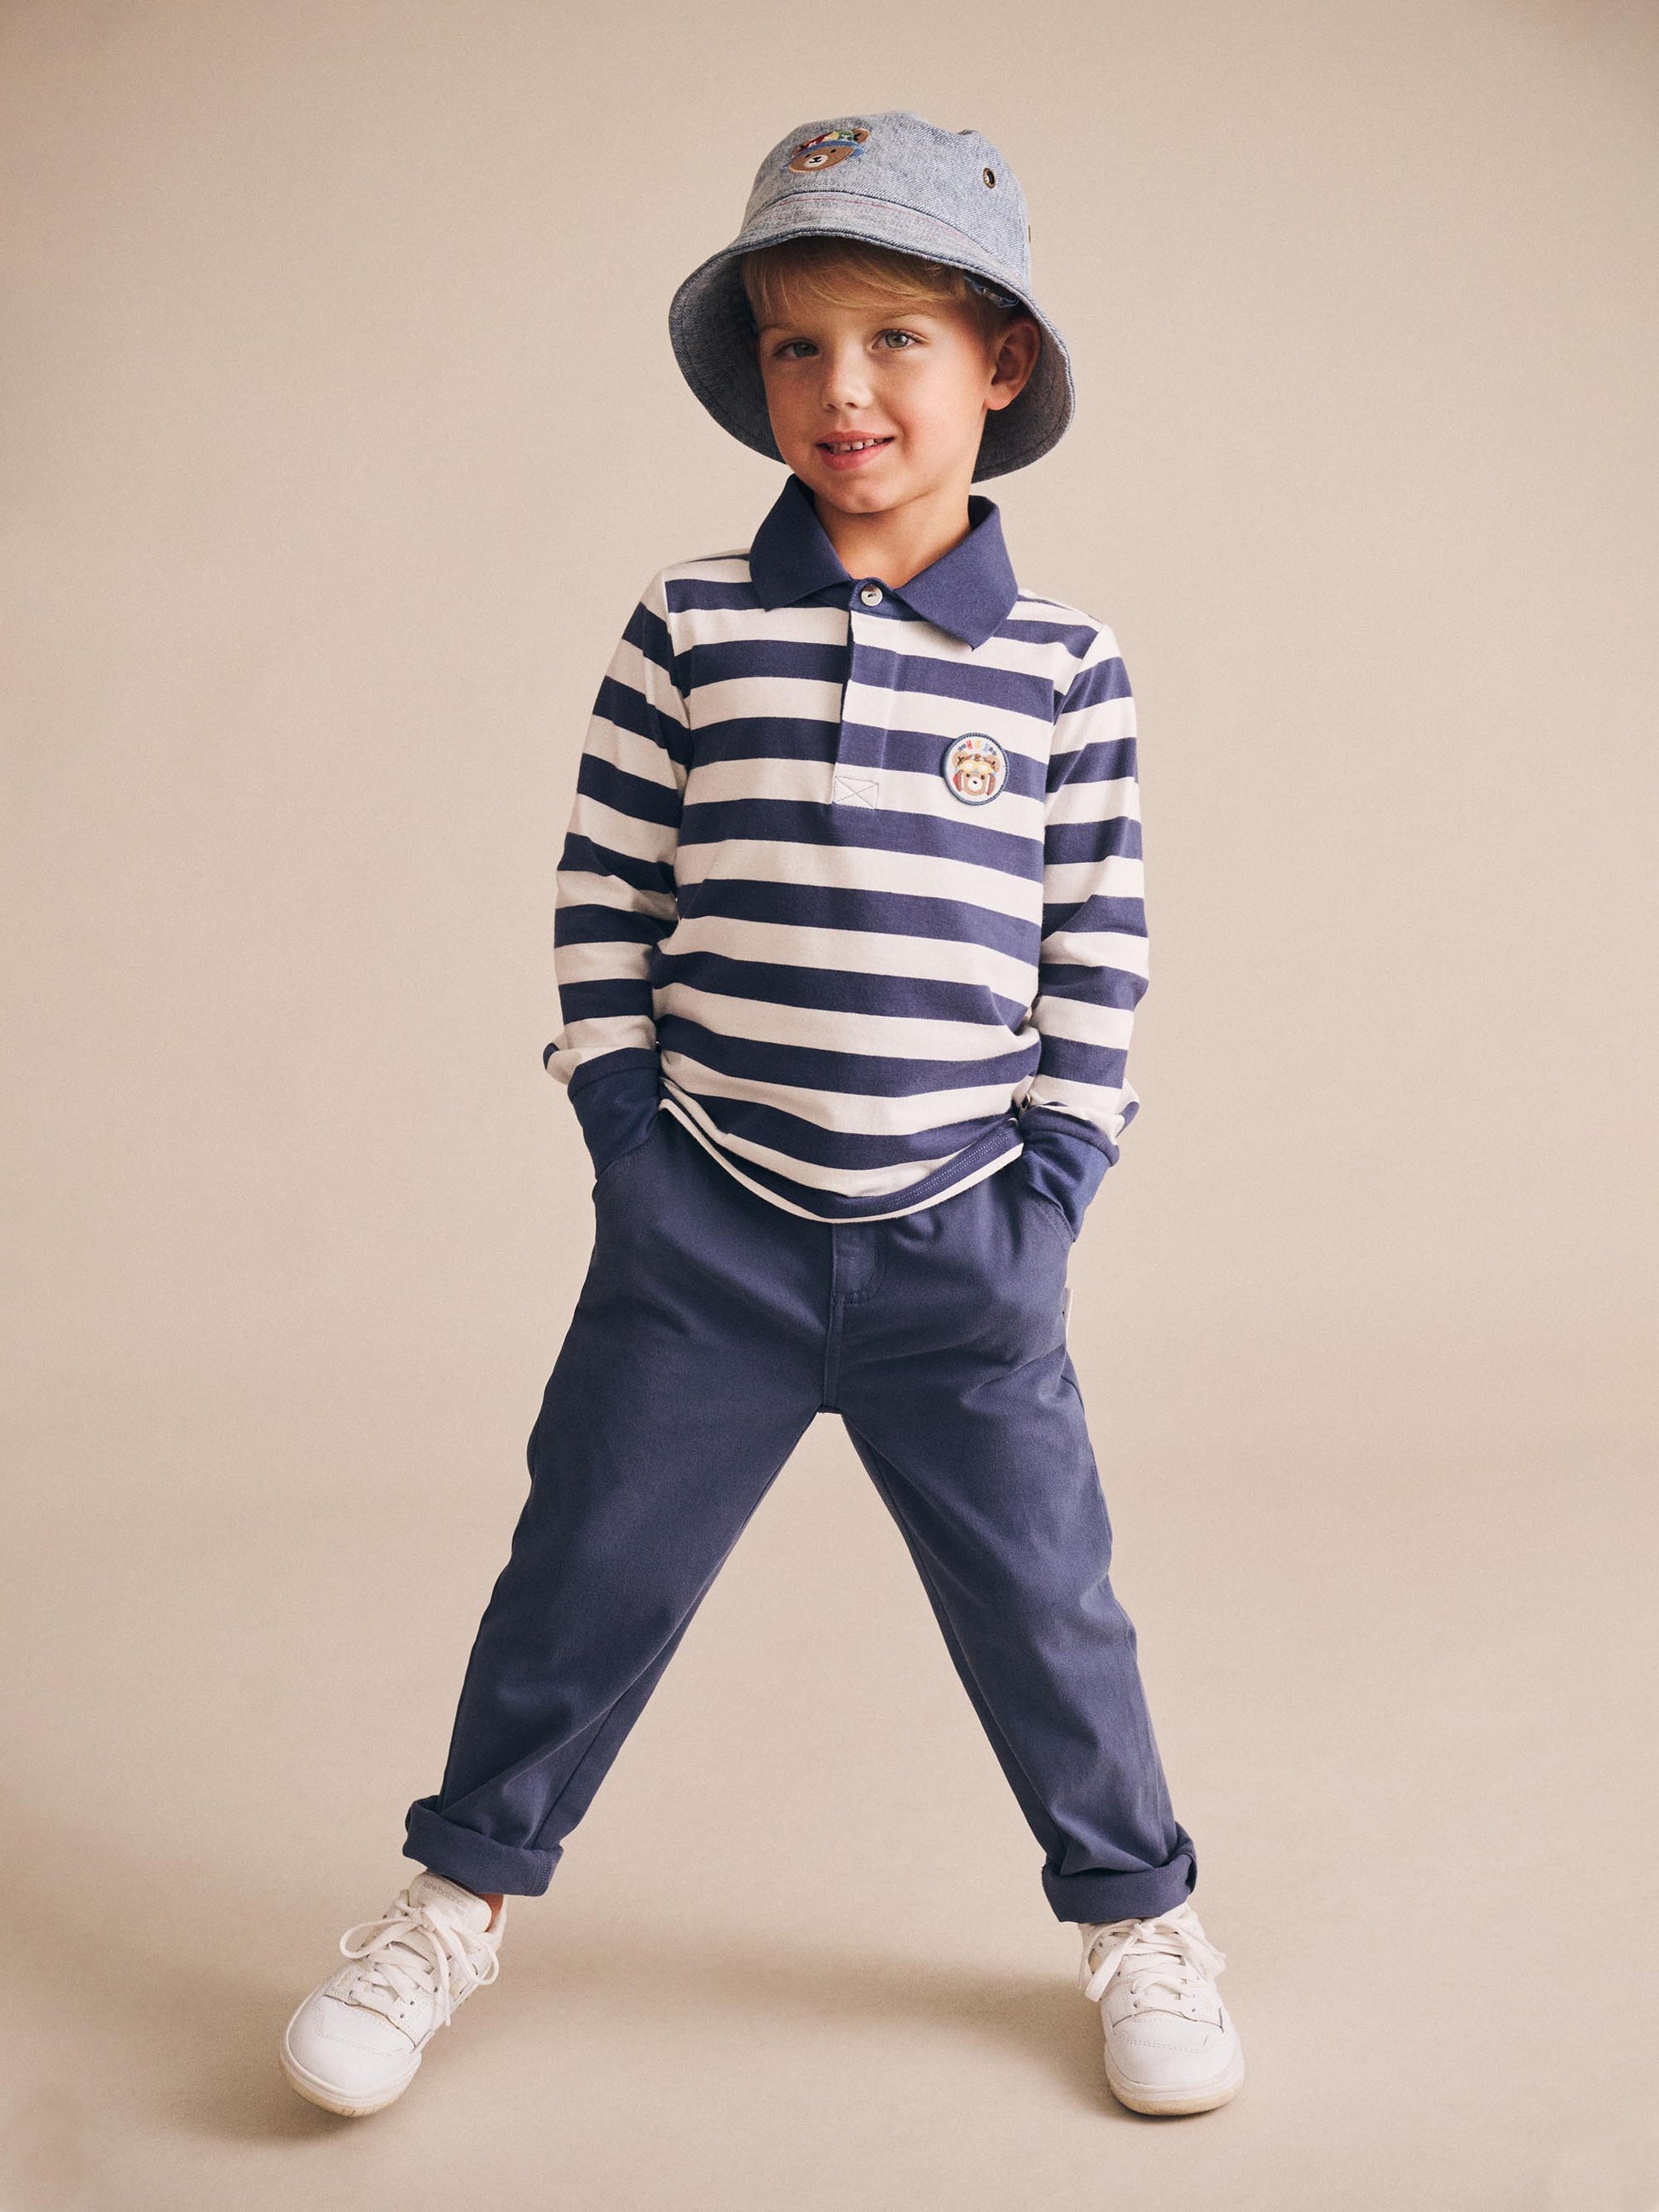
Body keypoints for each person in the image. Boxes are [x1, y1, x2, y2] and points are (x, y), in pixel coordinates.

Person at [280, 107, 1244, 2123]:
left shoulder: (1065, 668)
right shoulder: (690, 624)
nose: (841, 388)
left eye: (896, 339)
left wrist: (1054, 1186)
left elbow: (1099, 944)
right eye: (798, 346)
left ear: (998, 364)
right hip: (705, 1229)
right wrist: (629, 1138)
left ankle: (1140, 1916)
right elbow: (603, 890)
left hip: (961, 1240)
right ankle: (451, 1900)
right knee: (584, 1573)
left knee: (1046, 1606)